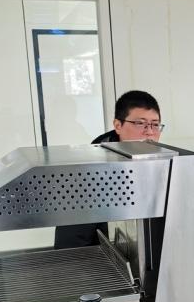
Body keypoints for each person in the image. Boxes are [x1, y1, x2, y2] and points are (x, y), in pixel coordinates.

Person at [54, 90, 164, 249]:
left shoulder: (164, 165)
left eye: (155, 124)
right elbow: (71, 244)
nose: (150, 132)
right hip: (104, 260)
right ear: (118, 126)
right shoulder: (89, 174)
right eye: (140, 123)